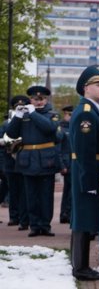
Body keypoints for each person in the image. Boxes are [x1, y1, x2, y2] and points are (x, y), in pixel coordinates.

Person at [6, 85, 64, 237]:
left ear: (46, 100)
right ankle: (34, 225)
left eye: (41, 99)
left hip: (46, 160)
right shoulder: (24, 116)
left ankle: (45, 225)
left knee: (46, 195)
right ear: (30, 100)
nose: (38, 102)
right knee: (30, 195)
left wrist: (32, 113)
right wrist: (18, 116)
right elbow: (11, 133)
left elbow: (49, 128)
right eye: (35, 99)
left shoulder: (52, 114)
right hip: (28, 160)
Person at [68, 65, 99, 281]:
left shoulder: (96, 110)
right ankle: (80, 267)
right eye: (97, 84)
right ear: (86, 88)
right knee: (84, 219)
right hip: (89, 171)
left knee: (86, 217)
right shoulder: (86, 113)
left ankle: (79, 264)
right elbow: (84, 152)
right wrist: (89, 182)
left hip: (94, 170)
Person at [1, 95, 30, 229]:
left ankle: (24, 219)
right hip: (10, 162)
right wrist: (7, 142)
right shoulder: (6, 124)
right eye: (17, 107)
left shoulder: (28, 122)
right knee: (13, 191)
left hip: (24, 161)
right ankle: (14, 216)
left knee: (24, 191)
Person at [58, 105, 74, 224]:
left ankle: (67, 213)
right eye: (69, 115)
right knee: (68, 191)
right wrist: (62, 165)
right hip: (67, 163)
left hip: (74, 163)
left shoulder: (74, 127)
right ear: (65, 115)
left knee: (71, 190)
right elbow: (58, 149)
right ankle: (65, 213)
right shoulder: (61, 128)